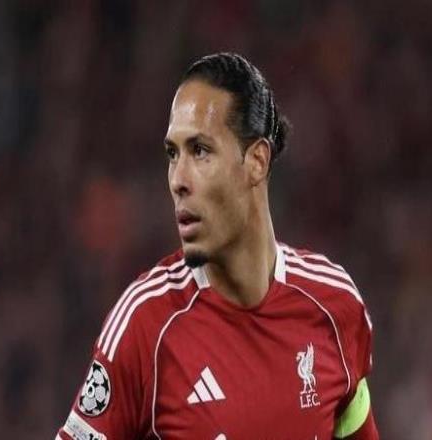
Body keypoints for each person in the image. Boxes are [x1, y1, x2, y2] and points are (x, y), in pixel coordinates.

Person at [56, 52, 379, 440]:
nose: (178, 179)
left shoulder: (334, 304)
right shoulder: (145, 325)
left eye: (200, 150)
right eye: (172, 154)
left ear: (257, 161)